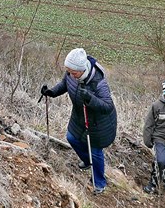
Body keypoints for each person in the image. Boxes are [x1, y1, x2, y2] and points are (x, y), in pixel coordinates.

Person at [41, 48, 117, 194]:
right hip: (80, 116)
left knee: (95, 151)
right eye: (68, 71)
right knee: (71, 138)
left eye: (73, 72)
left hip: (98, 123)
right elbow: (65, 84)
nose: (71, 74)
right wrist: (51, 92)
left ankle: (99, 183)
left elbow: (108, 106)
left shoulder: (98, 82)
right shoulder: (72, 73)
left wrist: (90, 98)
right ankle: (88, 162)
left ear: (83, 70)